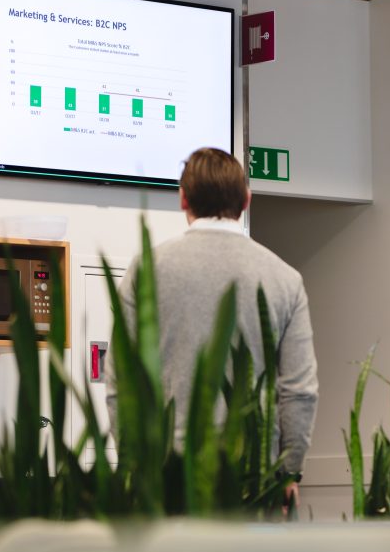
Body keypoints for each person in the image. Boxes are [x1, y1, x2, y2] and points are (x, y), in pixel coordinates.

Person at [111, 147, 318, 502]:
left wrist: (136, 467)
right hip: (253, 479)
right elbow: (299, 390)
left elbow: (122, 383)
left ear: (183, 199)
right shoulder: (285, 278)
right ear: (247, 200)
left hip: (166, 478)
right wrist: (289, 471)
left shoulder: (145, 270)